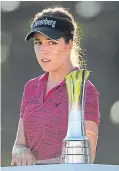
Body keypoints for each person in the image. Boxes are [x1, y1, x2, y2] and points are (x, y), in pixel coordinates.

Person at [11, 7, 100, 166]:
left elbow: (86, 157)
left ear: (69, 45)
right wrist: (21, 152)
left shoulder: (85, 90)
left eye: (51, 42)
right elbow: (19, 145)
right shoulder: (30, 88)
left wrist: (37, 166)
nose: (42, 50)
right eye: (38, 42)